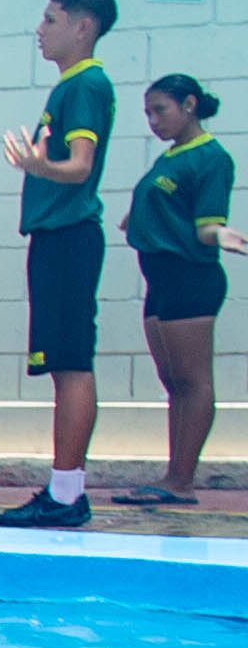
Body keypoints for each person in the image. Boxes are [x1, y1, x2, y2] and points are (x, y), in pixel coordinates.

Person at [0, 0, 120, 529]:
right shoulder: (70, 87)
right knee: (63, 364)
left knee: (72, 365)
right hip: (57, 237)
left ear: (82, 27)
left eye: (50, 20)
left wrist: (39, 167)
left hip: (69, 236)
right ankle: (63, 489)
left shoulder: (86, 84)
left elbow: (81, 166)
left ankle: (67, 493)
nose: (40, 31)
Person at [111, 73, 233, 508]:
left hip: (189, 276)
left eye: (160, 110)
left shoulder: (211, 158)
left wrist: (224, 236)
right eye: (147, 112)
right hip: (160, 279)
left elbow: (205, 227)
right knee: (174, 382)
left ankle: (183, 480)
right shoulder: (172, 156)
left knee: (194, 382)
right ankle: (171, 474)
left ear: (190, 105)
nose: (153, 121)